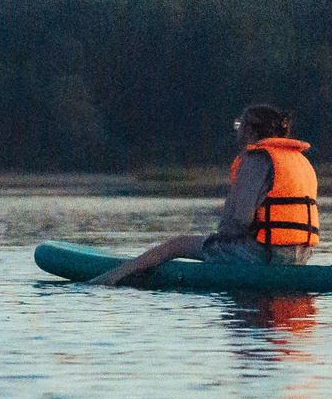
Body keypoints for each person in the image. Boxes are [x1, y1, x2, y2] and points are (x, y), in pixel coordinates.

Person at [89, 104, 318, 285]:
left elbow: (241, 219)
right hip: (300, 256)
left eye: (239, 125)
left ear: (250, 130)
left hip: (261, 256)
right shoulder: (299, 159)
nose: (237, 131)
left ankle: (110, 278)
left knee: (177, 244)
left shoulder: (257, 158)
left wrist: (219, 239)